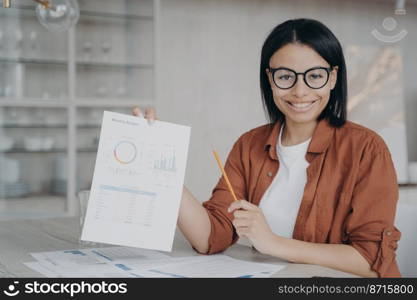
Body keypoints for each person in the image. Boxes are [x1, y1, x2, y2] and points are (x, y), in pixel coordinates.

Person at [132, 18, 401, 278]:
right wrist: (161, 164)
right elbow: (210, 238)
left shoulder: (367, 148)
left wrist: (272, 243)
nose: (300, 91)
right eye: (285, 76)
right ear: (270, 79)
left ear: (332, 78)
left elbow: (370, 260)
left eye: (315, 76)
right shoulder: (250, 145)